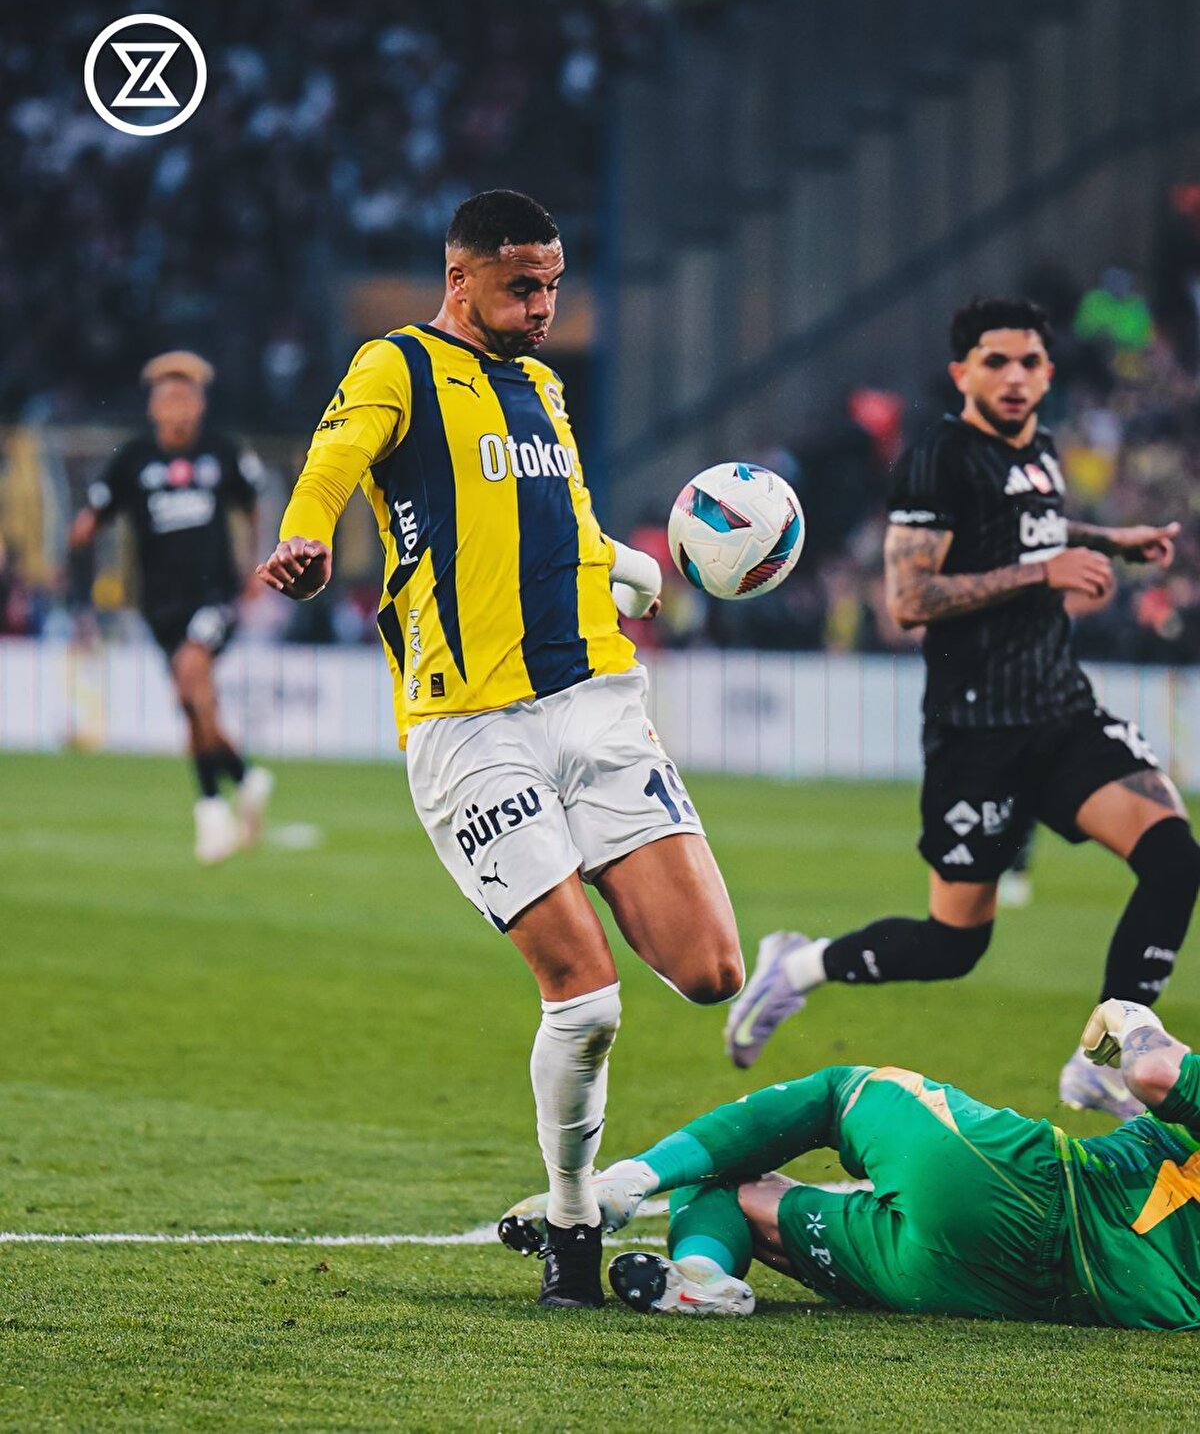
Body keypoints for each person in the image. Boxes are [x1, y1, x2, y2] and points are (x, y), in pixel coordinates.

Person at [256, 190, 743, 1309]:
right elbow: (335, 459)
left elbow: (549, 517)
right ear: (460, 277)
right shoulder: (399, 363)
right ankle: (573, 1219)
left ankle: (591, 1173)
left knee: (711, 972)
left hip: (597, 700)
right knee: (588, 998)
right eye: (523, 286)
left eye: (554, 286)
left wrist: (625, 564)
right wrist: (305, 534)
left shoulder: (544, 389)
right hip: (471, 724)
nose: (543, 307)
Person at [724, 298, 1198, 1120]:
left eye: (1029, 362)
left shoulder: (1039, 451)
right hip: (977, 733)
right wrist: (1045, 573)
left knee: (1173, 858)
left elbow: (1026, 525)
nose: (1014, 377)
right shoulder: (937, 459)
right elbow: (908, 598)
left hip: (1061, 711)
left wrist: (1106, 540)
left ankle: (1106, 1057)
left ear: (1048, 372)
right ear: (961, 373)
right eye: (995, 361)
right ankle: (796, 967)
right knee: (953, 945)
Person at [501, 1000, 1199, 1329]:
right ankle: (702, 1279)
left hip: (1028, 1195)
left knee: (841, 1090)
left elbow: (1155, 1076)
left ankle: (621, 1185)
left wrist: (1135, 1021)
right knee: (725, 1182)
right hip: (1054, 1301)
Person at [68, 351, 272, 864]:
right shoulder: (134, 460)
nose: (178, 408)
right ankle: (245, 778)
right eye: (169, 399)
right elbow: (92, 518)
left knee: (191, 671)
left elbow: (253, 504)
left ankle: (210, 808)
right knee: (192, 700)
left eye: (186, 398)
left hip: (213, 596)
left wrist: (256, 567)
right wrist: (81, 541)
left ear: (199, 405)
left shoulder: (222, 452)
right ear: (154, 408)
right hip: (159, 605)